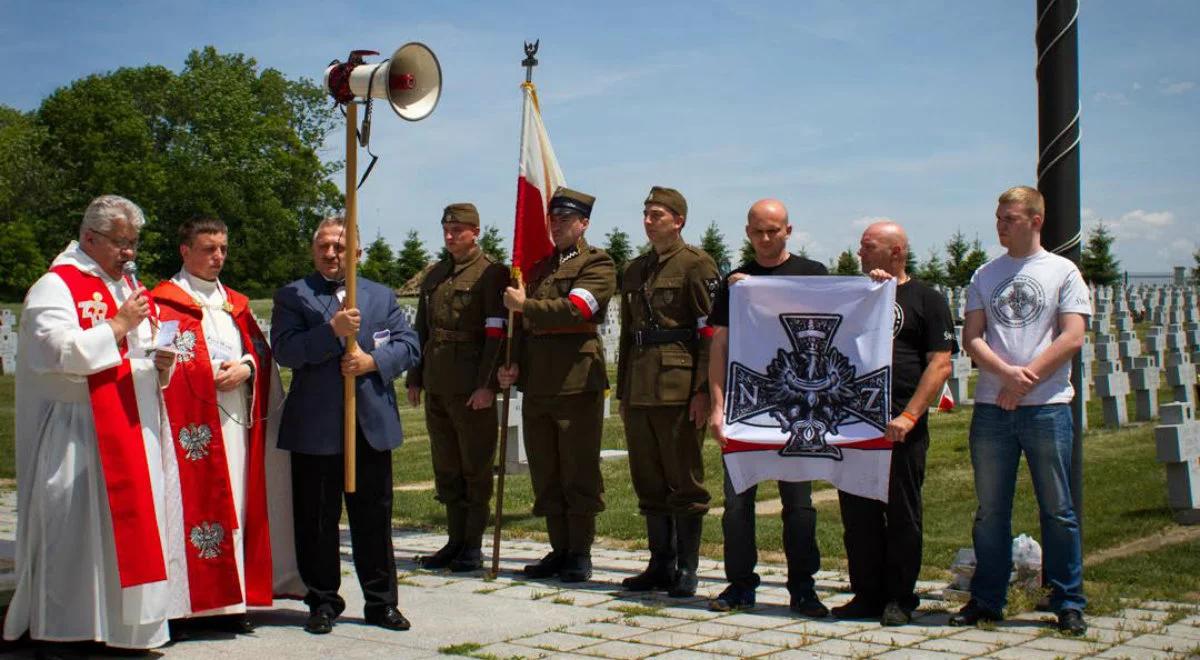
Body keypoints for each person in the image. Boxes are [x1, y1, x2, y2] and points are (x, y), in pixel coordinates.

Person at [3, 195, 178, 649]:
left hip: (131, 425)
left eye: (134, 243)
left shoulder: (124, 286)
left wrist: (161, 360)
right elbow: (55, 353)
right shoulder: (55, 286)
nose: (130, 254)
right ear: (89, 238)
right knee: (75, 534)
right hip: (78, 430)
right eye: (121, 243)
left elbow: (141, 345)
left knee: (127, 537)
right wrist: (118, 326)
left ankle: (125, 631)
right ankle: (67, 632)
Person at [151, 217, 302, 633]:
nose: (217, 257)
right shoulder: (164, 302)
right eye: (208, 249)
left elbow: (260, 352)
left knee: (235, 504)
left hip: (234, 424)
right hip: (186, 431)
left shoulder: (235, 303)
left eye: (222, 249)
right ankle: (185, 607)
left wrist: (249, 367)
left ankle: (232, 602)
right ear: (185, 251)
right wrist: (206, 372)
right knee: (186, 509)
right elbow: (157, 364)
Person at [951, 186, 1090, 636]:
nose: (1000, 225)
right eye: (998, 217)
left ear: (1035, 220)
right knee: (991, 510)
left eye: (1009, 217)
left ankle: (1067, 599)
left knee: (1058, 508)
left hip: (1046, 407)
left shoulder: (1063, 272)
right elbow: (973, 337)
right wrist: (1006, 376)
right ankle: (988, 598)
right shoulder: (985, 274)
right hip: (993, 407)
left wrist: (1022, 377)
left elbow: (1071, 336)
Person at [271, 216, 420, 635]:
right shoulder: (293, 295)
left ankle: (381, 602)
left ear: (356, 251)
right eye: (324, 246)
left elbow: (409, 344)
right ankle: (321, 600)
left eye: (340, 247)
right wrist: (330, 332)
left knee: (373, 518)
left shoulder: (379, 295)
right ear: (313, 250)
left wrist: (373, 362)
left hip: (369, 424)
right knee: (317, 520)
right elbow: (285, 351)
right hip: (316, 428)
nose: (332, 254)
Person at [706, 198, 829, 616]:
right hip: (747, 405)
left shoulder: (813, 275)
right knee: (738, 501)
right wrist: (717, 405)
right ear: (747, 232)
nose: (764, 238)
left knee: (798, 503)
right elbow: (719, 343)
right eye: (757, 231)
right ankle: (740, 584)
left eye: (773, 231)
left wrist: (880, 282)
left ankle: (803, 588)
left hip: (799, 407)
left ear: (789, 231)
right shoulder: (736, 282)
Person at [833, 221, 954, 626]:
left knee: (901, 511)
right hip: (854, 421)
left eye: (868, 246)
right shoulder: (859, 295)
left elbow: (939, 364)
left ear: (897, 252)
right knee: (858, 513)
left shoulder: (927, 299)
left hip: (901, 422)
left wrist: (910, 414)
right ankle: (866, 592)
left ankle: (900, 596)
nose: (860, 252)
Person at [497, 187, 616, 583]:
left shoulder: (596, 264)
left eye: (566, 219)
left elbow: (578, 309)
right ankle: (559, 549)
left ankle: (579, 553)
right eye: (554, 218)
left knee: (577, 469)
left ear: (583, 223)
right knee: (546, 470)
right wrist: (513, 364)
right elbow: (528, 329)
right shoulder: (539, 269)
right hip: (539, 382)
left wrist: (524, 306)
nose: (557, 224)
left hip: (576, 381)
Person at [616, 186, 718, 597]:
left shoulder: (697, 265)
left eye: (657, 214)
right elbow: (627, 335)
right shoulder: (635, 269)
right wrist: (623, 390)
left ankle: (688, 569)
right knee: (648, 479)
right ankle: (660, 563)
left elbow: (710, 333)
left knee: (684, 480)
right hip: (640, 386)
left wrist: (703, 391)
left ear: (679, 220)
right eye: (645, 213)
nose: (648, 220)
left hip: (679, 388)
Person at [406, 203, 508, 572]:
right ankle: (454, 541)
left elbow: (496, 334)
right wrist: (415, 376)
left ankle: (473, 546)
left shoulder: (491, 274)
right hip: (437, 382)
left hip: (470, 386)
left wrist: (487, 385)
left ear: (475, 232)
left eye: (458, 230)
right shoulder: (435, 275)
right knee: (447, 466)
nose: (450, 236)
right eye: (446, 229)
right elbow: (422, 330)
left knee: (474, 466)